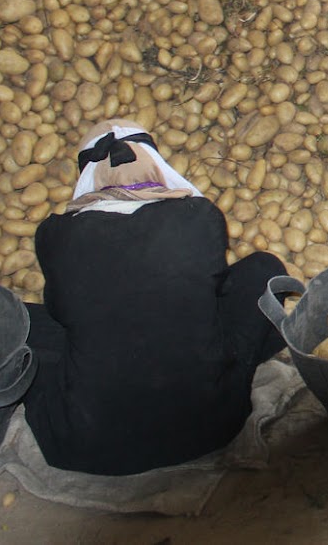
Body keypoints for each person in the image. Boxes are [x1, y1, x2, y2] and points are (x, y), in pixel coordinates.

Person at [22, 120, 289, 476]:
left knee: (18, 320)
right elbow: (216, 286)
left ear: (88, 174)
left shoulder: (55, 235)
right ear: (154, 161)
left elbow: (60, 312)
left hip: (87, 443)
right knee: (263, 271)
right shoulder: (201, 217)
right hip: (210, 425)